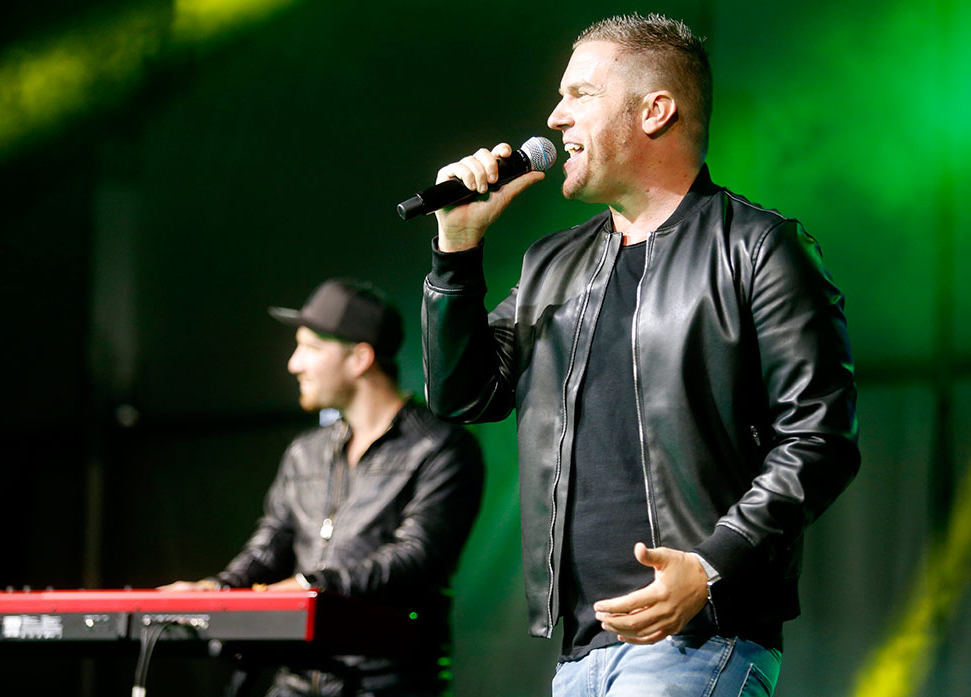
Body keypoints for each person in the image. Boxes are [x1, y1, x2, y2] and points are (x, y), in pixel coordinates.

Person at [420, 12, 858, 697]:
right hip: (580, 652)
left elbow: (819, 438)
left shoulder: (756, 248)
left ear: (655, 111)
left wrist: (711, 565)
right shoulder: (551, 264)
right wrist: (456, 249)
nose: (556, 117)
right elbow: (464, 394)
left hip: (700, 639)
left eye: (580, 94)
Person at [164, 279, 484, 697]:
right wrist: (220, 587)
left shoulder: (440, 447)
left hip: (385, 684)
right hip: (295, 681)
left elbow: (416, 557)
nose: (294, 364)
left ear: (360, 358)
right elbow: (271, 544)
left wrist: (312, 586)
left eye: (310, 348)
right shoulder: (306, 452)